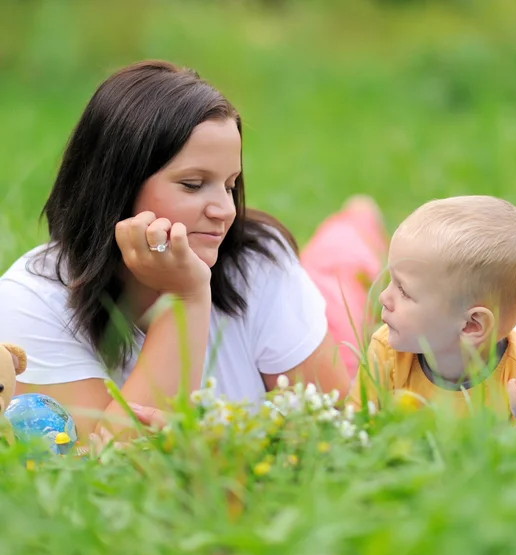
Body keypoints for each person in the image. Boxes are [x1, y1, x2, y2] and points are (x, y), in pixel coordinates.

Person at [0, 60, 351, 441]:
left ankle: (352, 229)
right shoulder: (31, 300)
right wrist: (185, 299)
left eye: (230, 185)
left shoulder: (258, 262)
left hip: (314, 301)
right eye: (193, 184)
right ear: (116, 186)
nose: (226, 210)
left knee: (346, 279)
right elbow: (104, 470)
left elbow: (345, 428)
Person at [348, 195, 516, 424]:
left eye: (404, 291)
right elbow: (354, 430)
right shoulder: (386, 352)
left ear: (471, 325)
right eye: (391, 280)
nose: (384, 297)